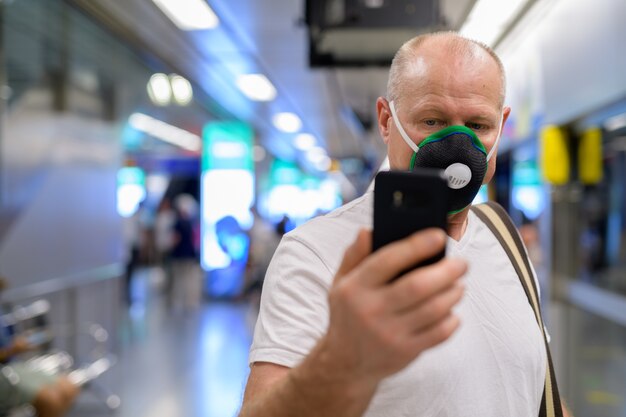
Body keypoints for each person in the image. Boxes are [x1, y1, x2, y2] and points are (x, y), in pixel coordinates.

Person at [239, 32, 570, 416]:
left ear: (502, 124)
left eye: (478, 125)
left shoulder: (506, 239)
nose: (458, 145)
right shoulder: (315, 254)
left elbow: (532, 389)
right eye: (432, 120)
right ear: (385, 120)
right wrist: (341, 357)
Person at [0, 279, 80, 417]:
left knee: (69, 388)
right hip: (4, 374)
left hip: (13, 365)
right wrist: (11, 350)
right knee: (50, 400)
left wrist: (18, 344)